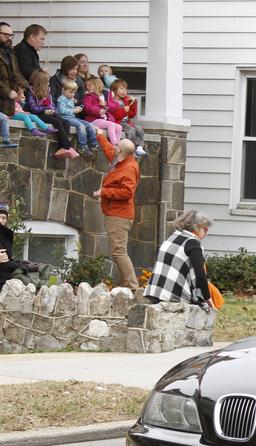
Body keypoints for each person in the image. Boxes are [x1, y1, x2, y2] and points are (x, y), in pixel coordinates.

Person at [93, 131, 140, 289]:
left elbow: (127, 193)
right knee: (118, 251)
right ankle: (125, 286)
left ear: (121, 150)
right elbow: (109, 150)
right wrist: (100, 136)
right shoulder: (120, 160)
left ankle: (132, 287)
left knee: (119, 251)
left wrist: (103, 192)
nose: (114, 145)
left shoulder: (128, 169)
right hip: (115, 212)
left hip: (119, 215)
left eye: (117, 145)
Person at [144, 210, 214, 308]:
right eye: (205, 229)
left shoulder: (172, 237)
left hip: (155, 292)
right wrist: (208, 298)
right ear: (196, 227)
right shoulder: (192, 243)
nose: (206, 234)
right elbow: (200, 274)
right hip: (175, 295)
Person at [24, 69, 78, 159]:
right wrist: (45, 110)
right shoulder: (31, 92)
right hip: (37, 114)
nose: (49, 83)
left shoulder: (47, 91)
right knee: (56, 122)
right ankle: (67, 147)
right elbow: (33, 108)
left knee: (65, 122)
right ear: (40, 83)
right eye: (47, 82)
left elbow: (52, 104)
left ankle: (62, 148)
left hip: (47, 113)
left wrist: (53, 110)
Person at [106, 78, 146, 157]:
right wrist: (124, 110)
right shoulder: (112, 102)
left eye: (125, 89)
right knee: (131, 130)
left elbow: (131, 115)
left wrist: (133, 104)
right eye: (121, 89)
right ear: (114, 90)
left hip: (127, 122)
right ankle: (131, 148)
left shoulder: (125, 101)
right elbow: (116, 116)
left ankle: (139, 147)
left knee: (139, 128)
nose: (124, 91)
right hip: (118, 123)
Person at [56, 80, 98, 155]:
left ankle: (94, 142)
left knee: (90, 125)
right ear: (63, 90)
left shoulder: (71, 99)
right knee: (81, 126)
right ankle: (82, 146)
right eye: (70, 92)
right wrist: (74, 110)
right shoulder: (61, 99)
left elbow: (71, 108)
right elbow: (62, 110)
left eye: (74, 93)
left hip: (72, 118)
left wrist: (77, 108)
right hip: (65, 118)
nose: (72, 94)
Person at [81, 76, 121, 144]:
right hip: (92, 120)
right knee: (110, 125)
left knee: (119, 127)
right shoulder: (88, 96)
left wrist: (105, 105)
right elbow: (87, 107)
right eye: (86, 86)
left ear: (96, 85)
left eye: (89, 85)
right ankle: (115, 144)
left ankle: (118, 144)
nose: (87, 87)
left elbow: (113, 108)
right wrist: (98, 110)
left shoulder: (103, 96)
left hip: (102, 120)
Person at [0, 22, 27, 121]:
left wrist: (24, 86)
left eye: (11, 35)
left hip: (8, 105)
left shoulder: (11, 53)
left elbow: (16, 74)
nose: (9, 38)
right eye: (6, 35)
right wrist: (7, 91)